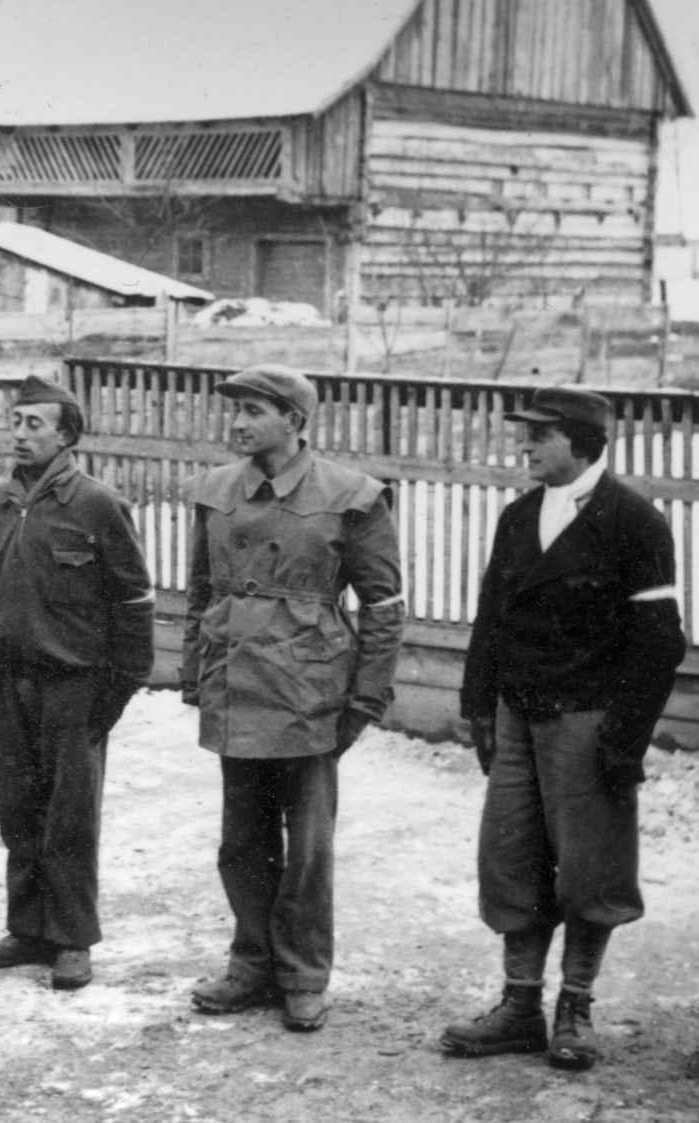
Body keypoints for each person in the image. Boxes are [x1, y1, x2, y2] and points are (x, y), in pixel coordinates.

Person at [441, 387, 686, 1071]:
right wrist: (479, 707)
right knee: (512, 857)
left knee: (589, 867)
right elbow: (490, 618)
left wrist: (624, 737)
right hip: (518, 715)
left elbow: (660, 640)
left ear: (580, 441)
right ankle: (519, 1005)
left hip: (589, 716)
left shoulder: (633, 521)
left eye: (539, 435)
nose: (525, 446)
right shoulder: (519, 516)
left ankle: (574, 1005)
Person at [181, 364, 404, 1033]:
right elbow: (200, 593)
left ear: (296, 421)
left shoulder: (352, 494)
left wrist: (365, 699)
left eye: (253, 410)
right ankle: (251, 964)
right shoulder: (216, 491)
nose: (238, 422)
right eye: (237, 410)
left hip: (310, 692)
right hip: (236, 688)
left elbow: (385, 607)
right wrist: (195, 673)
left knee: (307, 846)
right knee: (240, 839)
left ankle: (303, 973)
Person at [0, 374, 155, 991]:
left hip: (73, 686)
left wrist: (119, 688)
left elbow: (133, 602)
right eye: (15, 422)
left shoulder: (97, 505)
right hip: (10, 684)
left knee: (69, 815)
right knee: (17, 808)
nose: (20, 435)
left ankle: (72, 938)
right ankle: (28, 930)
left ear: (67, 436)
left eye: (34, 425)